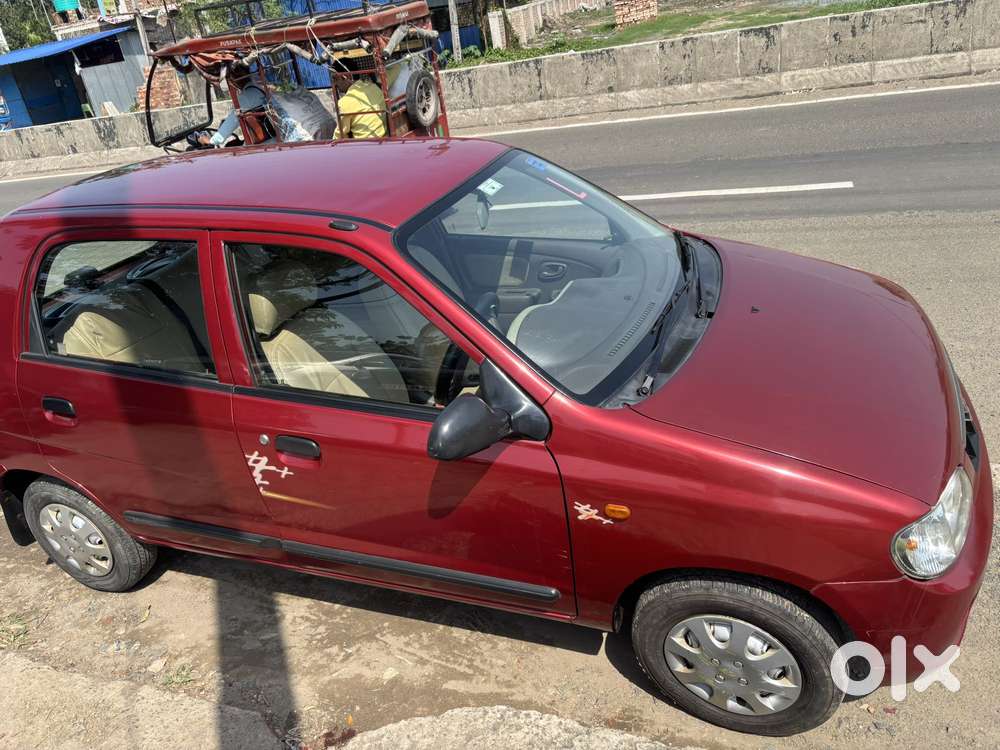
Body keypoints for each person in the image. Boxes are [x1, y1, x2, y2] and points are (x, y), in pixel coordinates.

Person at [198, 63, 267, 147]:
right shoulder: (258, 90)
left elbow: (228, 126)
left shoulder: (245, 97)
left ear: (234, 78)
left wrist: (210, 141)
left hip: (262, 146)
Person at [333, 75, 387, 140]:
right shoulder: (373, 86)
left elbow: (340, 135)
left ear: (346, 77)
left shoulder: (345, 101)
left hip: (364, 144)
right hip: (384, 137)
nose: (334, 83)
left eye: (335, 79)